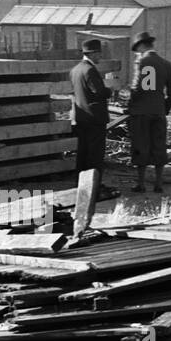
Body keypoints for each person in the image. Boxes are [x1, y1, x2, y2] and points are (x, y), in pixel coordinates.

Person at [128, 31, 171, 194]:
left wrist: (131, 104)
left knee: (141, 145)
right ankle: (158, 184)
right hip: (158, 111)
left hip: (141, 112)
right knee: (159, 146)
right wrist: (165, 108)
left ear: (142, 46)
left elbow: (138, 87)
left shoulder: (142, 62)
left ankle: (141, 184)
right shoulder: (166, 64)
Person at [70, 39, 110, 237]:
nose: (100, 57)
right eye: (98, 54)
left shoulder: (75, 70)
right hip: (95, 119)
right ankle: (95, 187)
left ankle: (80, 186)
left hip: (81, 118)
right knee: (95, 154)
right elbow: (99, 92)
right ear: (93, 53)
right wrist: (110, 89)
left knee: (83, 153)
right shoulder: (91, 71)